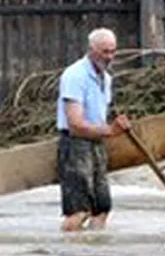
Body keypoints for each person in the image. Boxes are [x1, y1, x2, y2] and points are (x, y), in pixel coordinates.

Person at [56, 28, 131, 232]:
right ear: (91, 50)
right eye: (104, 52)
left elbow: (99, 117)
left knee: (101, 208)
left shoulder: (106, 79)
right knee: (79, 211)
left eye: (113, 51)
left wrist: (112, 129)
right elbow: (75, 125)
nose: (109, 57)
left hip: (96, 144)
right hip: (75, 146)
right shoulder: (75, 75)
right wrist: (111, 130)